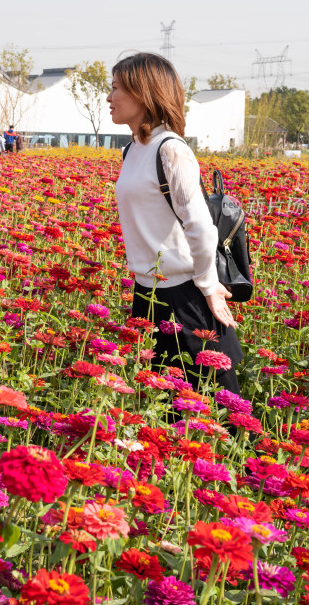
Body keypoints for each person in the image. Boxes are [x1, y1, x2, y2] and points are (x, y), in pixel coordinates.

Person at [108, 52, 243, 393]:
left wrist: (210, 287)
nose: (109, 98)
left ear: (143, 92)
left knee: (218, 403)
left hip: (185, 296)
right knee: (164, 407)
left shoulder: (170, 149)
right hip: (148, 292)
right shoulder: (134, 149)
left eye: (116, 89)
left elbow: (199, 225)